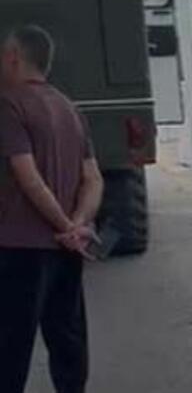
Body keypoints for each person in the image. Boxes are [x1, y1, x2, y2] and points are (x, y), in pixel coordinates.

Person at [0, 23, 104, 393]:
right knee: (68, 339)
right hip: (66, 252)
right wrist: (78, 225)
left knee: (10, 348)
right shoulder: (69, 107)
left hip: (19, 248)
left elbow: (28, 177)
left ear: (13, 57)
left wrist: (64, 225)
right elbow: (93, 178)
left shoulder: (8, 104)